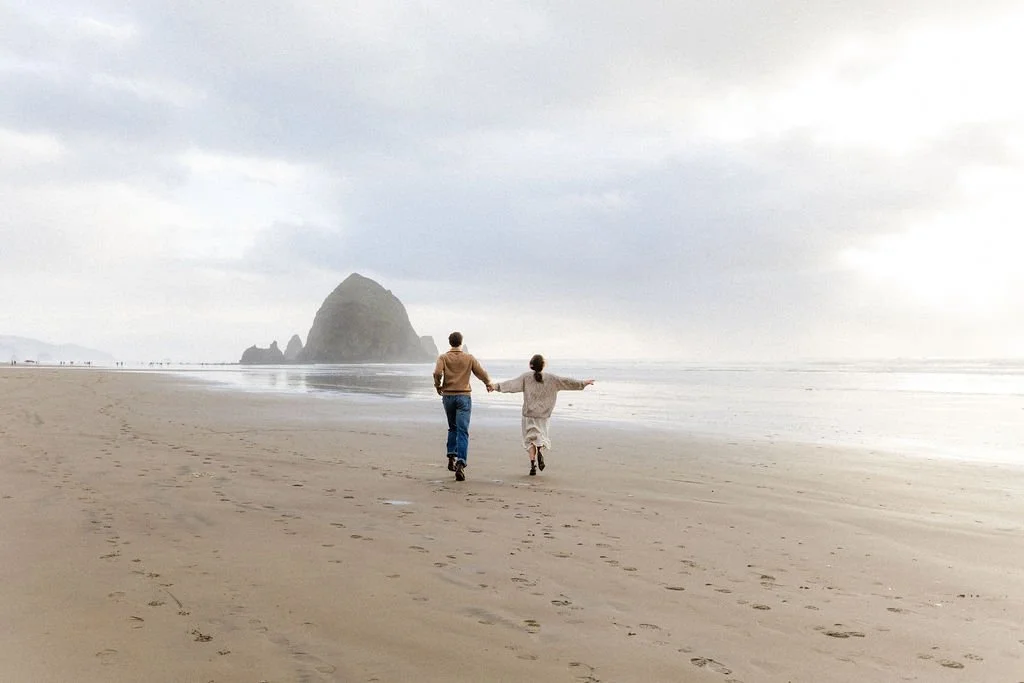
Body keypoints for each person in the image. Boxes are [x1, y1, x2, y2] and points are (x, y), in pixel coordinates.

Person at [488, 354, 594, 476]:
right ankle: (540, 449)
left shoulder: (526, 377)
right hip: (544, 415)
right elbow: (567, 382)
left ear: (531, 365)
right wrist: (583, 383)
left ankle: (533, 464)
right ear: (544, 365)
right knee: (540, 436)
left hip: (529, 414)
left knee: (529, 439)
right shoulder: (552, 378)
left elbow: (511, 385)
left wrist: (495, 386)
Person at [433, 331, 493, 481]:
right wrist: (488, 383)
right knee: (463, 431)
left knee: (452, 427)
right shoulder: (469, 358)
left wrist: (437, 386)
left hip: (448, 396)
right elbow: (481, 373)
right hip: (464, 396)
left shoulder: (443, 357)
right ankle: (461, 463)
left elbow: (437, 372)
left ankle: (451, 456)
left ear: (449, 342)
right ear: (461, 342)